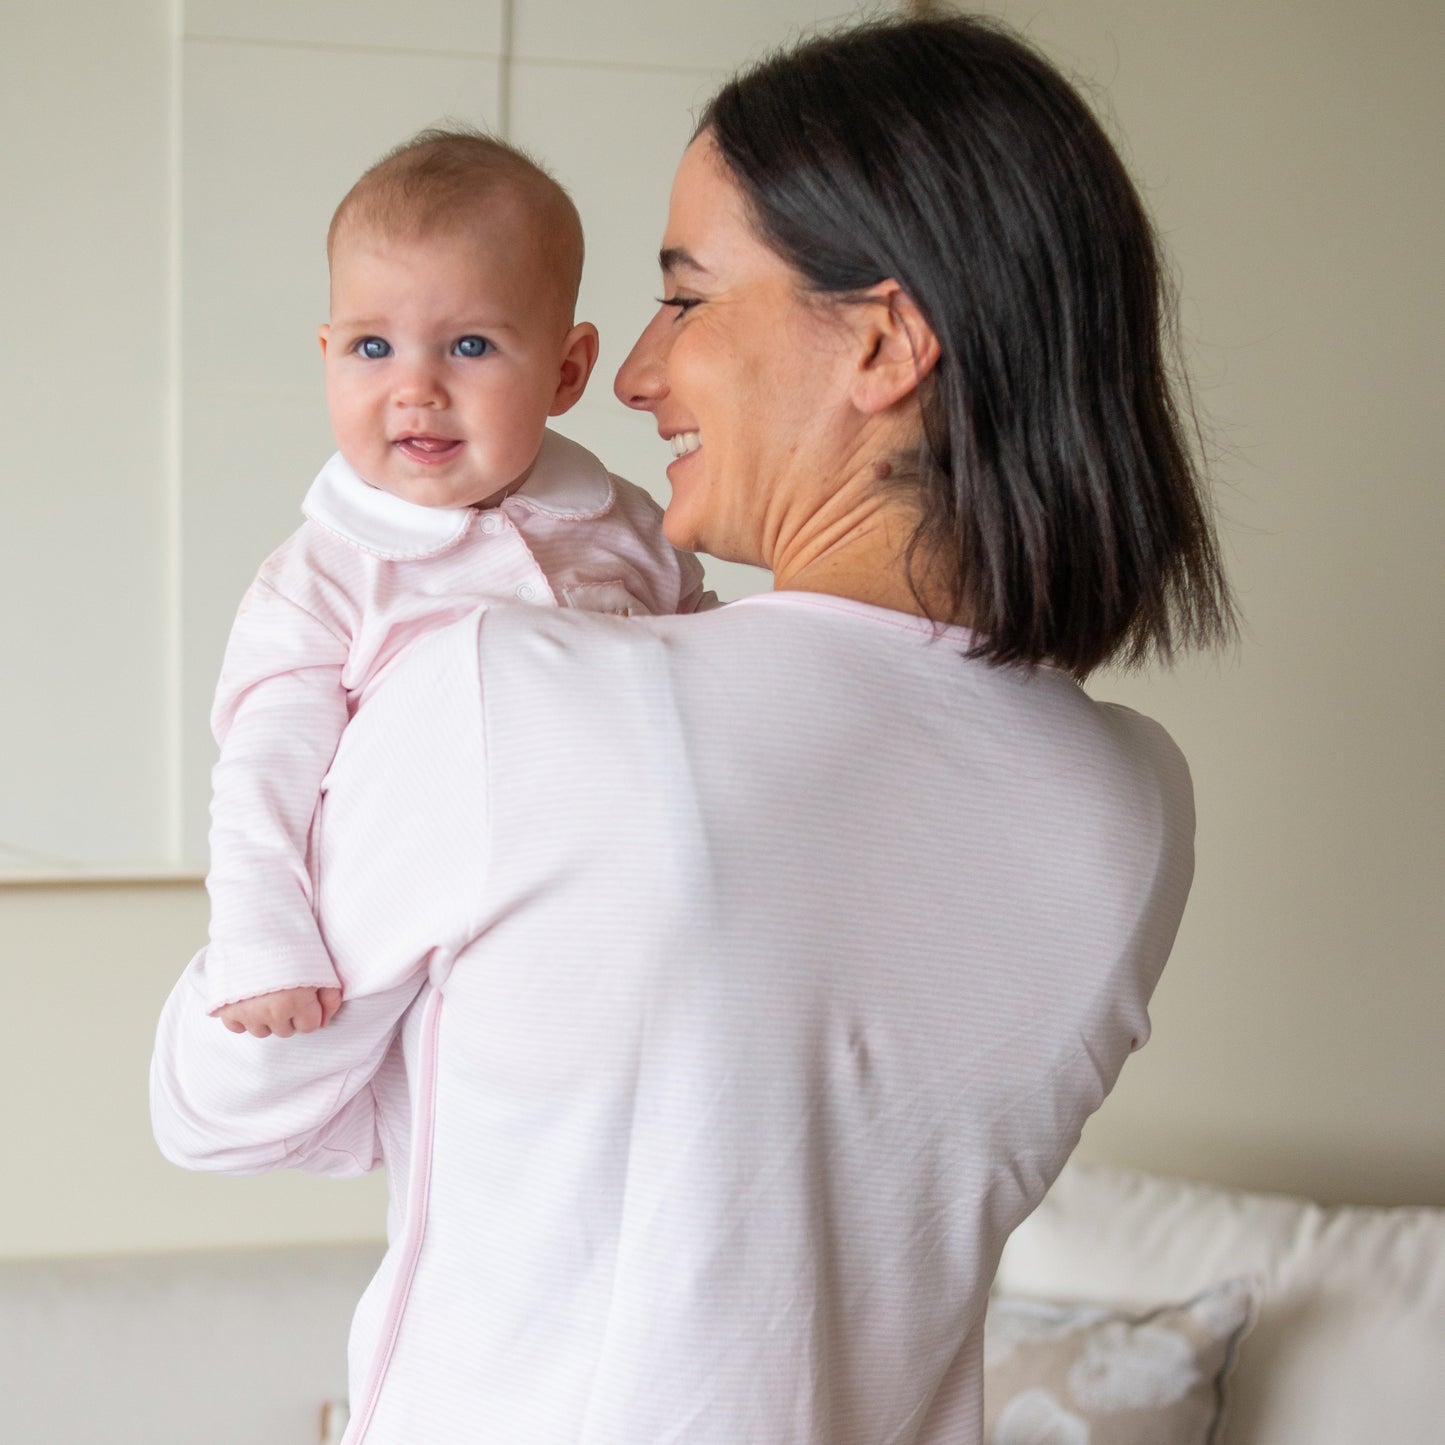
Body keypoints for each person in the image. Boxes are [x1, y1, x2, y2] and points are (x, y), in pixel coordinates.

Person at [152, 15, 1234, 1444]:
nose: (637, 374)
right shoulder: (1137, 802)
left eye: (687, 300)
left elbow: (222, 1103)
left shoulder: (514, 693)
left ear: (883, 340)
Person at [204, 129, 707, 1038]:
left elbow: (720, 675)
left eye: (469, 344)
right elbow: (265, 773)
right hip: (415, 953)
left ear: (566, 371)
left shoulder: (628, 523)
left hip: (627, 921)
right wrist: (264, 944)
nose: (416, 387)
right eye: (371, 347)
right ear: (324, 351)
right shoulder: (321, 577)